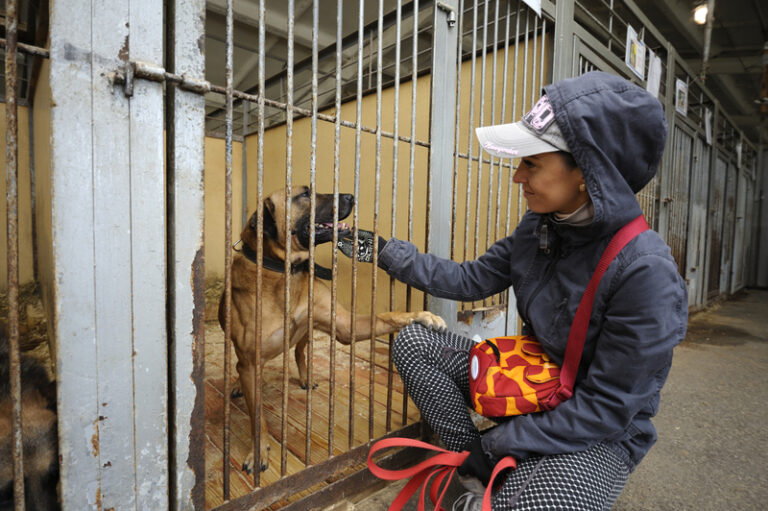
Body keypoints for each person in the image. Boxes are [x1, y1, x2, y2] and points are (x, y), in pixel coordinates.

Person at [338, 71, 688, 510]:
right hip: (535, 385)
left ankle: (492, 477)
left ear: (587, 172)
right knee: (413, 342)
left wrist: (504, 439)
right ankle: (477, 470)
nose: (517, 176)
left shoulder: (645, 272)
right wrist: (381, 250)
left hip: (598, 428)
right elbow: (468, 279)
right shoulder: (540, 228)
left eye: (532, 164)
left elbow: (607, 408)